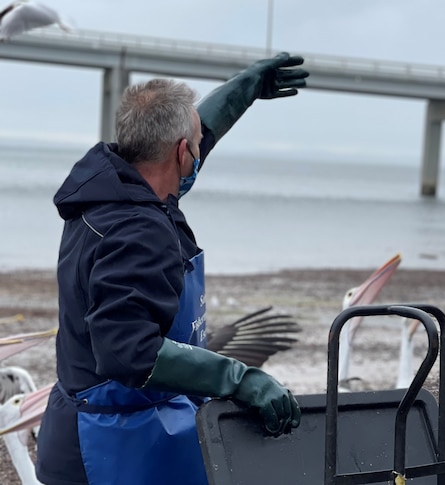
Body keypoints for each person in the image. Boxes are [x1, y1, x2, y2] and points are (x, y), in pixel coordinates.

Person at [36, 53, 310, 485]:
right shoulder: (138, 232)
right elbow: (129, 350)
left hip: (96, 424)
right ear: (182, 153)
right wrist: (239, 378)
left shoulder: (112, 188)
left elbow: (196, 131)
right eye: (196, 146)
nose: (201, 151)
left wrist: (245, 89)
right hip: (111, 448)